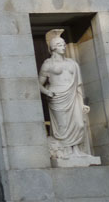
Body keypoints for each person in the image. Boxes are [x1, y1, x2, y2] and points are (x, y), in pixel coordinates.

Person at [38, 29, 91, 157]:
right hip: (57, 97)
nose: (63, 47)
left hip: (73, 96)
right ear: (53, 48)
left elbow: (78, 86)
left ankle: (77, 150)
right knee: (63, 126)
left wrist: (82, 103)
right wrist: (47, 92)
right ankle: (66, 151)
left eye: (64, 44)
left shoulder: (73, 63)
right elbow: (38, 83)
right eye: (60, 45)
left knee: (79, 124)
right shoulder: (48, 64)